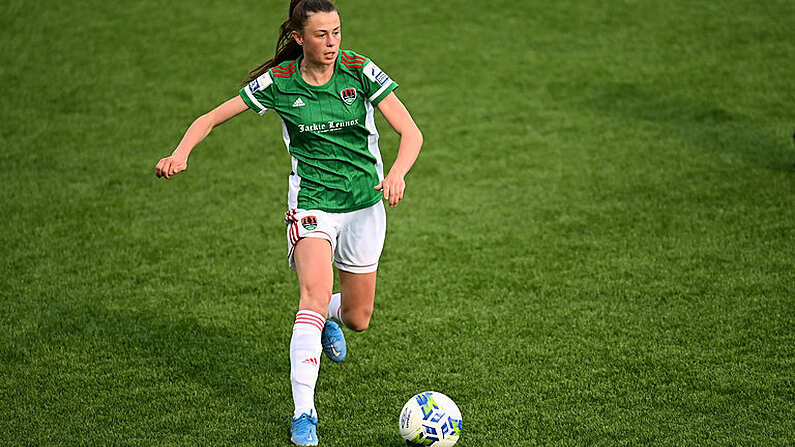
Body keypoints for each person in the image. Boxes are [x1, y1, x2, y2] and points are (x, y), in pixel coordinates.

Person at [154, 0, 422, 445]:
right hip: (312, 205)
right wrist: (180, 153)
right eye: (321, 35)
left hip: (364, 205)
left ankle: (330, 319)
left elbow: (411, 133)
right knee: (312, 298)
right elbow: (211, 118)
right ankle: (304, 415)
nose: (332, 43)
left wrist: (396, 174)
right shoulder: (279, 82)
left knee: (358, 317)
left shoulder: (359, 70)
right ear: (299, 38)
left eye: (336, 32)